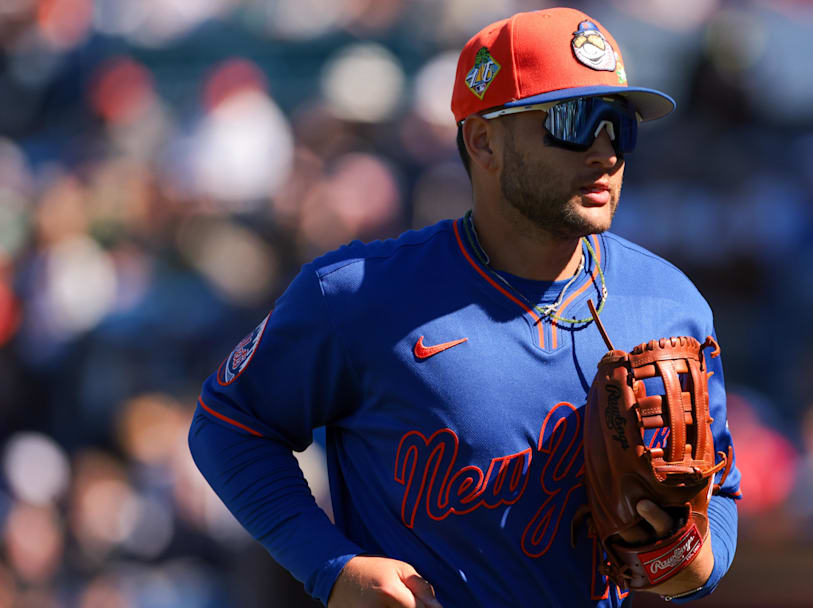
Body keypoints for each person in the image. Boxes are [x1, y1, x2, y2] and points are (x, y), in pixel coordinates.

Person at [188, 7, 740, 607]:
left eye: (621, 126)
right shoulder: (359, 294)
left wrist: (693, 560)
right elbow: (229, 424)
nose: (605, 152)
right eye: (575, 120)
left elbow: (723, 497)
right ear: (483, 140)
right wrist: (329, 565)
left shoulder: (669, 303)